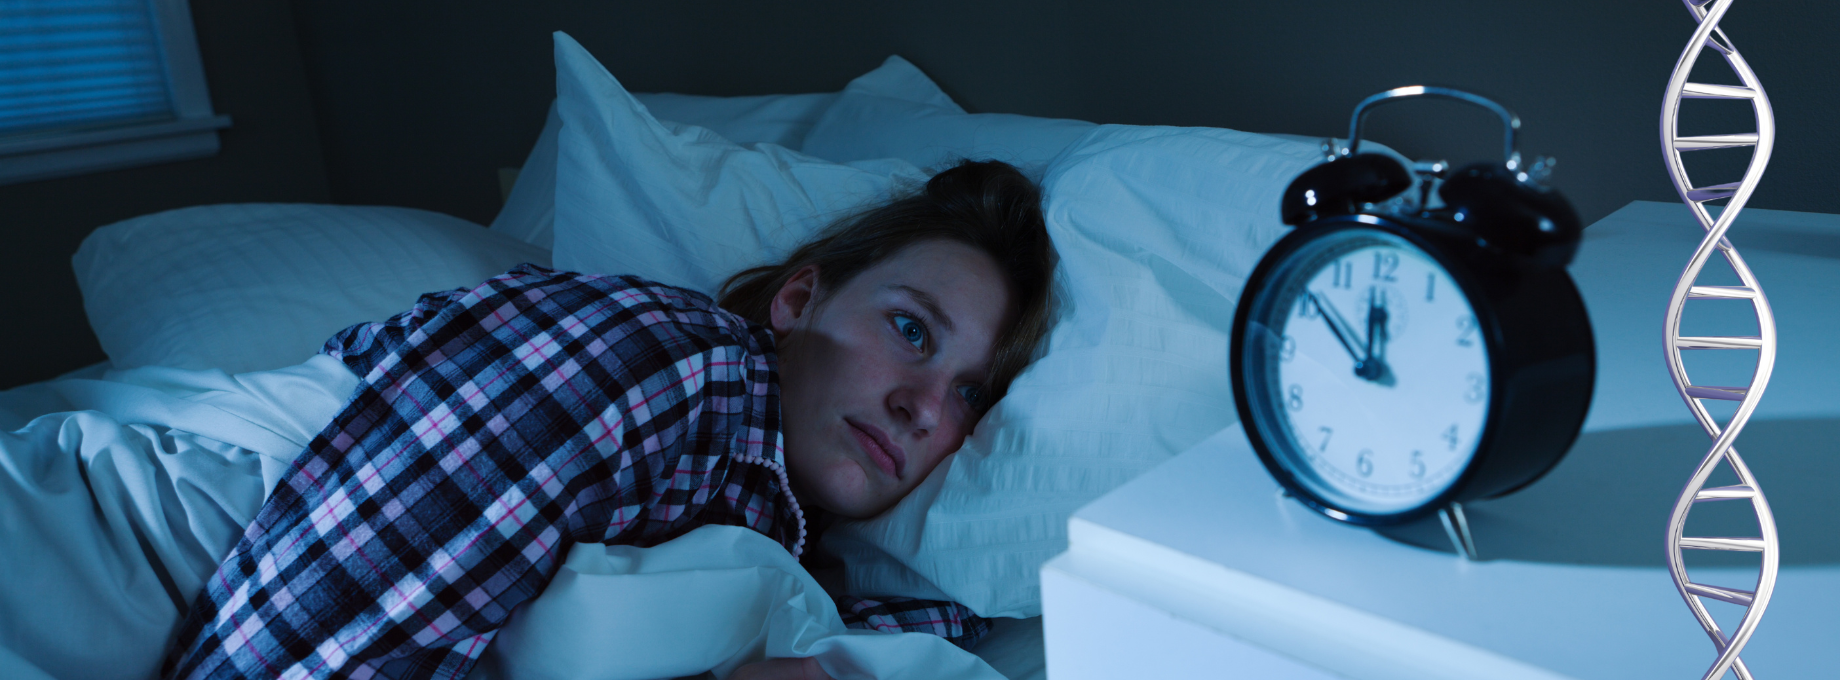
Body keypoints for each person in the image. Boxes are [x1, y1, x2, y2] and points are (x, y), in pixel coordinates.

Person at [161, 159, 1055, 680]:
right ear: (796, 300)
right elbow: (300, 655)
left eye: (971, 393)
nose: (926, 406)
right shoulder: (664, 360)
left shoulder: (762, 519)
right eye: (910, 330)